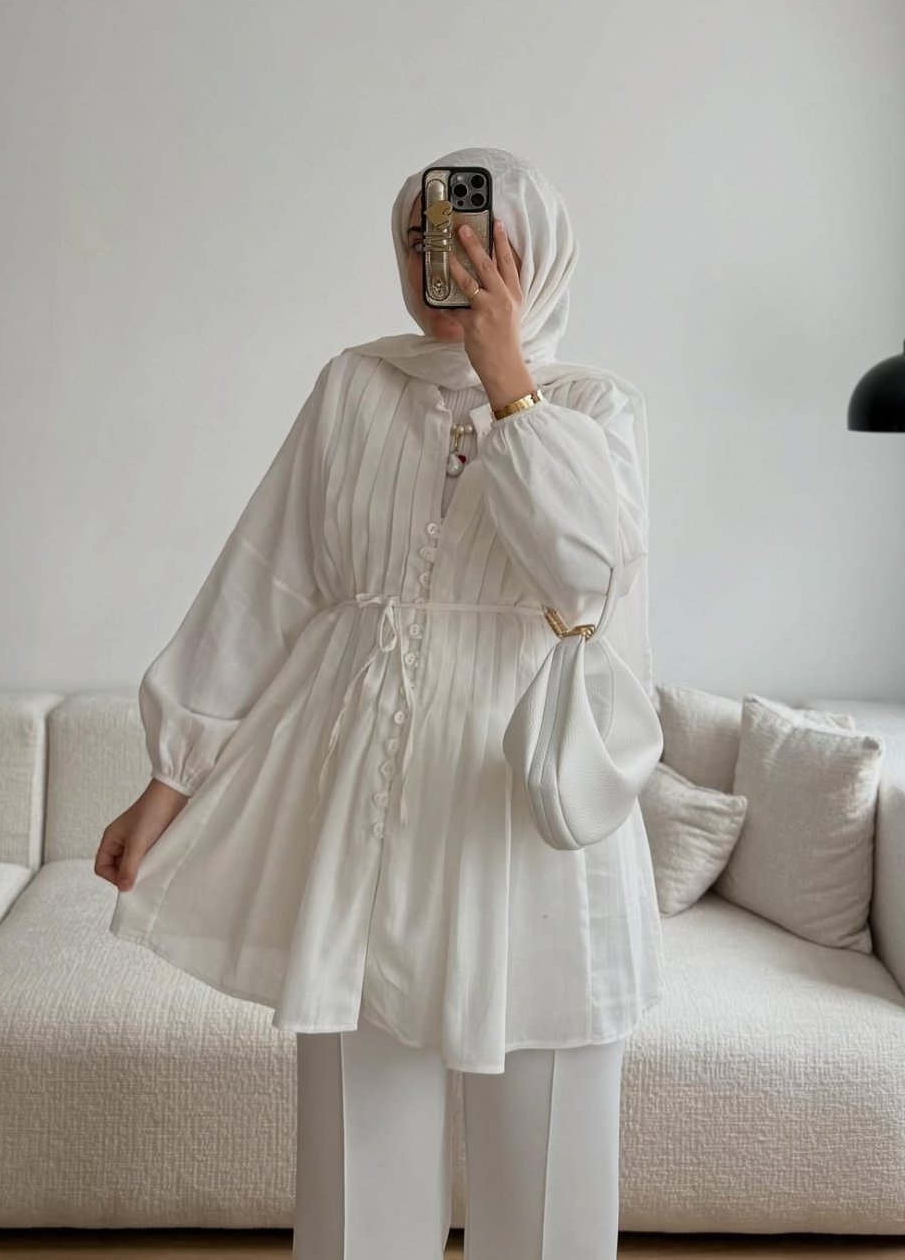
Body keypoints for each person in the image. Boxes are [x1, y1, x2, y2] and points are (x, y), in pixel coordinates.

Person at [95, 145, 665, 1258]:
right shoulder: (352, 388)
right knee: (359, 1174)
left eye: (470, 235)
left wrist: (509, 382)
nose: (438, 259)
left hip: (529, 820)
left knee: (548, 1183)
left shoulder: (595, 407)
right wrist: (168, 780)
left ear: (533, 251)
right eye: (417, 238)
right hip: (366, 809)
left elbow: (587, 578)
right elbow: (266, 583)